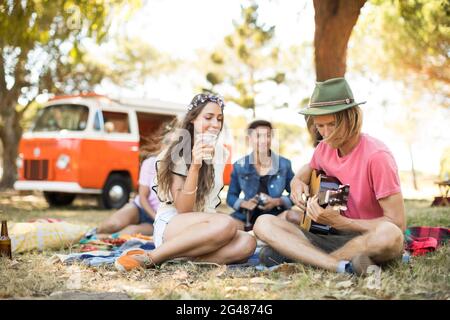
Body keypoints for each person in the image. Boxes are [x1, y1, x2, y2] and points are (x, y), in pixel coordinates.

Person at [253, 77, 406, 276]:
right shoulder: (324, 148)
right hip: (328, 236)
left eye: (332, 125)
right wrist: (296, 182)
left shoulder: (377, 157)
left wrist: (342, 223)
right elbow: (306, 170)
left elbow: (397, 223)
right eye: (320, 126)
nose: (326, 134)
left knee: (390, 234)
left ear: (351, 117)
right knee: (263, 223)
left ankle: (322, 260)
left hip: (368, 237)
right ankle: (342, 264)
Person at [115, 93, 256, 271]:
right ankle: (151, 258)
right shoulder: (178, 152)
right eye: (208, 117)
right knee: (226, 223)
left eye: (219, 119)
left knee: (247, 242)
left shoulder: (221, 154)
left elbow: (207, 205)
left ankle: (177, 262)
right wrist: (195, 166)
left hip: (206, 229)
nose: (215, 124)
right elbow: (183, 209)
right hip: (174, 224)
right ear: (193, 120)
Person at [226, 120, 295, 230]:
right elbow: (231, 197)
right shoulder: (239, 166)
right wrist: (244, 203)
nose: (263, 140)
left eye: (267, 136)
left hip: (276, 216)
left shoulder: (284, 164)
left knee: (293, 217)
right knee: (225, 225)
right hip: (247, 218)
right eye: (258, 136)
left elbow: (295, 194)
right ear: (249, 139)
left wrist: (277, 201)